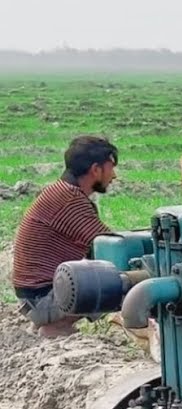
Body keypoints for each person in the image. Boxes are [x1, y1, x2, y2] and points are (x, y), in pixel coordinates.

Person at [10, 135, 118, 337]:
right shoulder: (69, 200)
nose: (114, 176)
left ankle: (53, 322)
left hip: (33, 297)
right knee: (122, 280)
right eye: (111, 168)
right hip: (42, 299)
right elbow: (111, 246)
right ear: (96, 170)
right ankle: (56, 326)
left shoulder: (61, 192)